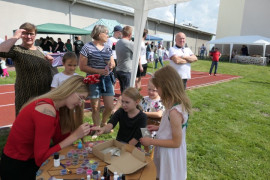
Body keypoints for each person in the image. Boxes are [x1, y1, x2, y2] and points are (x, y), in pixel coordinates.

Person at [0, 75, 91, 180]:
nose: (80, 104)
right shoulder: (46, 111)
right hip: (18, 166)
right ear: (70, 90)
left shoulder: (57, 107)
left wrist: (87, 130)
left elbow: (60, 140)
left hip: (28, 160)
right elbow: (41, 158)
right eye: (81, 98)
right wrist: (75, 135)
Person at [140, 65, 192, 180]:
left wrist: (151, 140)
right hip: (166, 150)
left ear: (166, 87)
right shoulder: (173, 105)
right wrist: (158, 128)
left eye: (157, 87)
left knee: (167, 176)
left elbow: (176, 142)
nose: (156, 91)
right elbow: (174, 128)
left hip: (169, 154)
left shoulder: (174, 112)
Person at [0, 22, 54, 116]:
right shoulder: (16, 50)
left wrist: (49, 62)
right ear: (21, 35)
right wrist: (15, 37)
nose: (29, 36)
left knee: (43, 123)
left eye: (31, 34)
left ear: (35, 35)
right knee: (26, 124)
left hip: (44, 94)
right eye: (25, 33)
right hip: (26, 96)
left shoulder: (39, 49)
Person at [79, 25, 115, 127]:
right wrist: (97, 71)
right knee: (95, 107)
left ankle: (104, 122)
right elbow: (82, 67)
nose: (108, 35)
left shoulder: (108, 47)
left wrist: (112, 64)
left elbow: (113, 62)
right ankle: (97, 127)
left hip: (107, 79)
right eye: (107, 33)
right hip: (93, 80)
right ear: (100, 34)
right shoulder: (87, 47)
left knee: (109, 106)